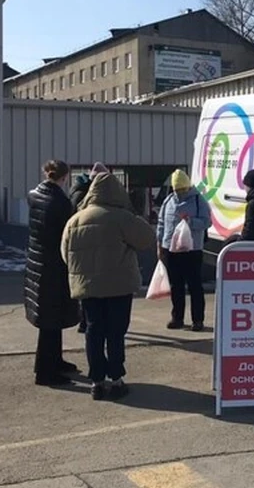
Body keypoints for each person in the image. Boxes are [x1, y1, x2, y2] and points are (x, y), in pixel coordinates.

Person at [61, 171, 157, 401]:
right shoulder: (122, 217)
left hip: (87, 286)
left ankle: (96, 380)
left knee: (94, 331)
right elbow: (146, 240)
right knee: (116, 332)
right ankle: (116, 379)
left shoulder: (75, 219)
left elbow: (66, 254)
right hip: (118, 285)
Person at [24, 159, 80, 386]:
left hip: (37, 262)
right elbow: (66, 236)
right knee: (51, 319)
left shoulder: (35, 196)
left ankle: (52, 361)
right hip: (54, 266)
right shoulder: (60, 202)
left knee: (50, 319)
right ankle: (47, 372)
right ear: (65, 177)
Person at [157, 169, 212, 331]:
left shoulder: (198, 200)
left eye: (182, 190)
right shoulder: (168, 201)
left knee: (195, 286)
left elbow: (207, 222)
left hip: (192, 250)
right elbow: (161, 224)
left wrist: (191, 222)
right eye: (176, 190)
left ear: (188, 187)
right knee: (176, 286)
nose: (179, 193)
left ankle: (198, 320)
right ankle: (177, 318)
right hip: (171, 250)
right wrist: (159, 244)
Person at [69, 162, 108, 333]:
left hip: (82, 244)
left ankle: (86, 321)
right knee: (90, 288)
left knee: (86, 286)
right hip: (89, 243)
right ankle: (86, 321)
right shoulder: (84, 194)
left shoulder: (77, 191)